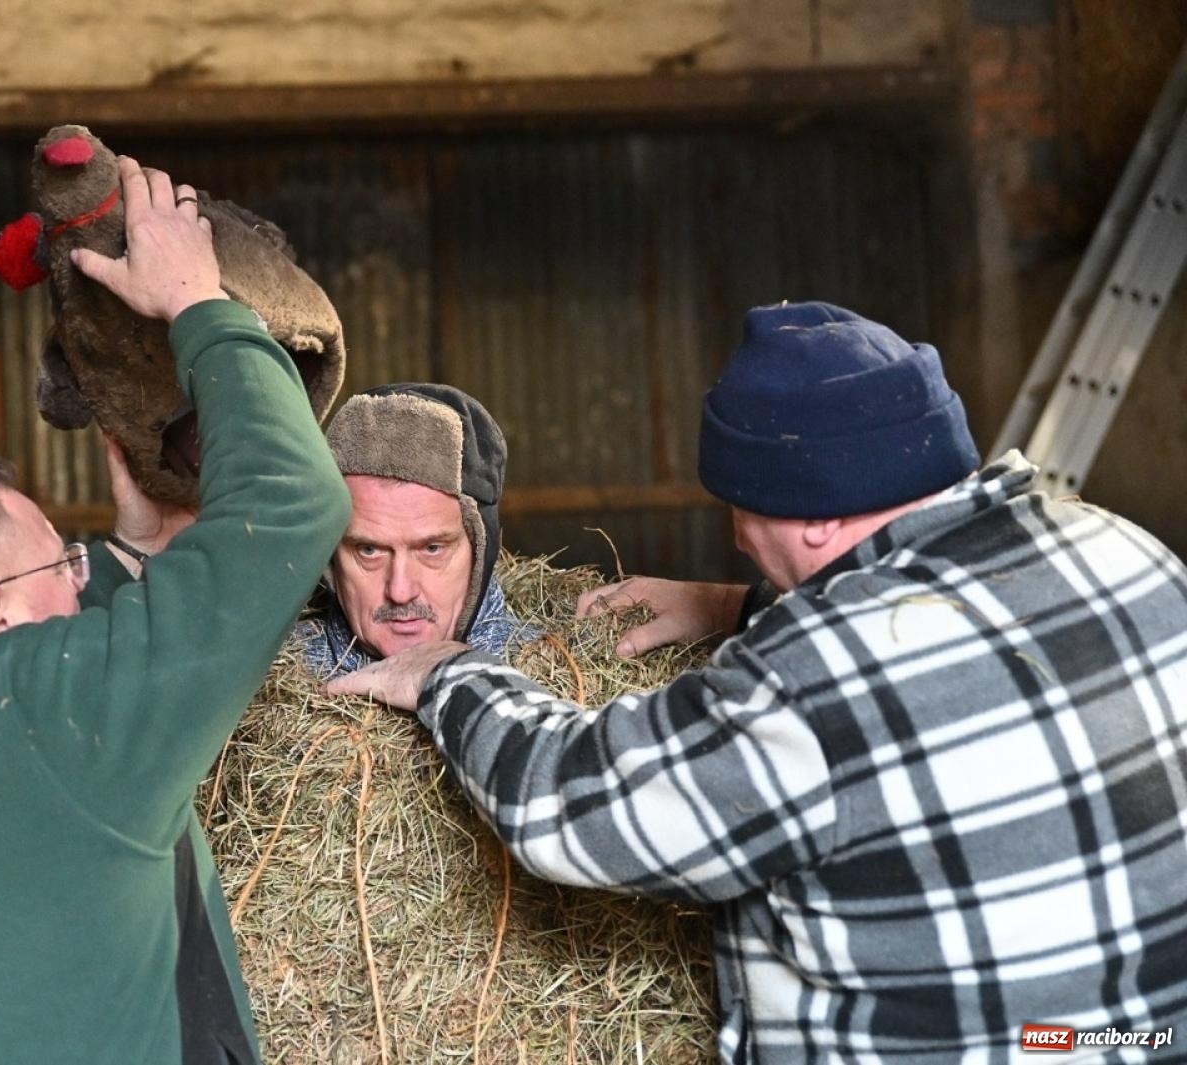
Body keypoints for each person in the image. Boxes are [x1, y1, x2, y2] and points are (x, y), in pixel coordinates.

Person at [328, 301, 1187, 1062]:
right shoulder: (1129, 554)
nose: (737, 537)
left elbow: (571, 807)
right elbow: (946, 637)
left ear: (815, 516)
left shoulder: (813, 679)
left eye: (741, 507)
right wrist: (743, 605)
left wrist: (451, 674)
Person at [0, 158, 351, 1065]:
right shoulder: (54, 720)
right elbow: (293, 502)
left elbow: (41, 705)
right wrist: (198, 301)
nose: (82, 583)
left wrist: (134, 553)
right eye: (65, 562)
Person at [292, 383, 528, 675]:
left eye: (432, 549)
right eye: (369, 550)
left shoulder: (561, 688)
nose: (400, 592)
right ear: (331, 560)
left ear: (481, 552)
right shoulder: (264, 681)